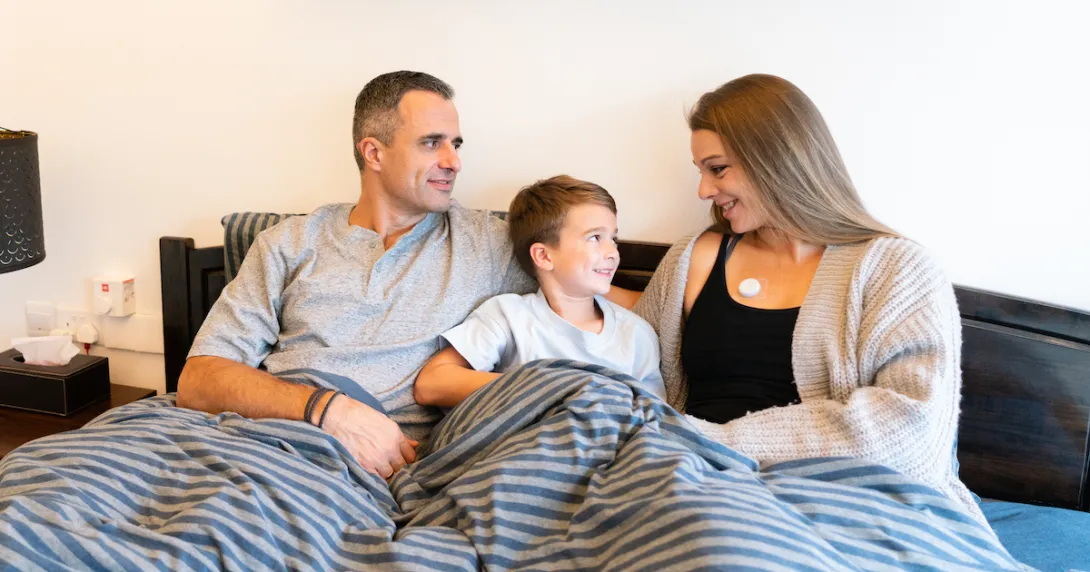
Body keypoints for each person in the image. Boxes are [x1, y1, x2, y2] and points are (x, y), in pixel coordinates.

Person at [633, 74, 984, 522]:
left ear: (775, 160)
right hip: (691, 488)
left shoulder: (898, 270)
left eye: (717, 169)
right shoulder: (694, 257)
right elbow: (629, 367)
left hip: (835, 504)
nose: (703, 190)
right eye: (701, 171)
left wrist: (709, 442)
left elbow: (908, 437)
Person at [176, 71, 546, 480]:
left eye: (455, 144)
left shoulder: (487, 243)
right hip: (237, 438)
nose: (454, 162)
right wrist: (326, 409)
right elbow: (198, 380)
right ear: (374, 153)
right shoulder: (288, 242)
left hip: (343, 475)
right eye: (431, 143)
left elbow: (607, 305)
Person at [414, 176, 665, 408]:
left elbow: (658, 422)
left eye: (614, 239)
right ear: (544, 256)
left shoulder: (636, 335)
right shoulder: (509, 316)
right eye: (595, 238)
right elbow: (431, 384)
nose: (612, 252)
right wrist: (545, 388)